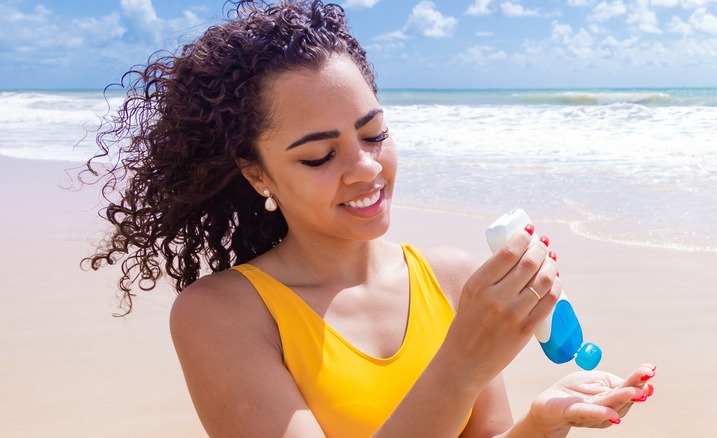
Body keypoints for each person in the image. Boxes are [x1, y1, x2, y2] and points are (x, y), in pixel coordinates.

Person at [82, 0, 655, 436]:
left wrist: (540, 423)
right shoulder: (221, 315)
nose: (364, 168)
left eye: (374, 133)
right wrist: (460, 363)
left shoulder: (450, 277)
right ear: (257, 174)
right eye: (318, 155)